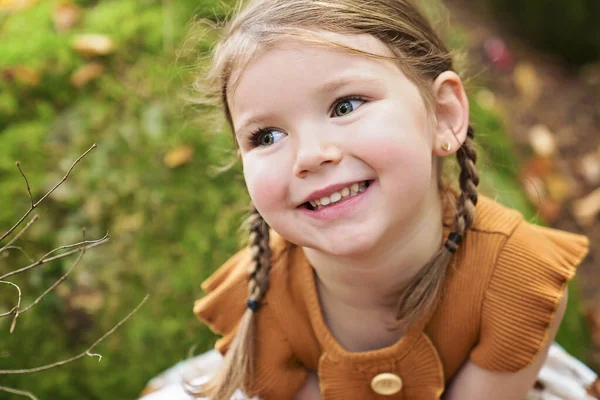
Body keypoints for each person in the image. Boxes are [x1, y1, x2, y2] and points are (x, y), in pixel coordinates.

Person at [155, 0, 593, 399]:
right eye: (267, 136)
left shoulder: (515, 278)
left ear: (442, 114)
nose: (309, 156)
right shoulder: (258, 301)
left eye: (345, 106)